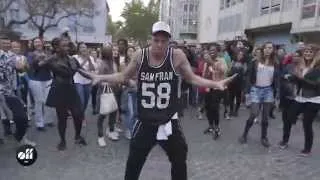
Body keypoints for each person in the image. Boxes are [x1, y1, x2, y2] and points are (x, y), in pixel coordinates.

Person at [84, 21, 236, 180]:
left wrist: (215, 83)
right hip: (145, 121)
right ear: (151, 39)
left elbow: (192, 79)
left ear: (169, 41)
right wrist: (99, 77)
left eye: (164, 41)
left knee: (179, 159)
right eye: (156, 40)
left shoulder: (176, 56)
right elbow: (123, 76)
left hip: (168, 120)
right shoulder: (140, 55)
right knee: (134, 163)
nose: (160, 44)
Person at [38, 36, 87, 151]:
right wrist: (38, 60)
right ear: (56, 47)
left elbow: (82, 71)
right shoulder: (51, 59)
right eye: (64, 46)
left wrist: (96, 77)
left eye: (67, 45)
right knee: (62, 118)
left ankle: (77, 136)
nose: (67, 48)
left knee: (78, 114)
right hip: (59, 90)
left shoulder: (72, 59)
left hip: (71, 89)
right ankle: (62, 141)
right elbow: (36, 66)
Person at [239, 42, 279, 148]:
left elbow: (277, 79)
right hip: (256, 89)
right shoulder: (255, 61)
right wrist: (247, 92)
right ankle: (244, 134)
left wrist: (277, 93)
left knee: (265, 117)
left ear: (273, 50)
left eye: (270, 48)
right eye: (266, 47)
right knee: (254, 114)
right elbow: (248, 77)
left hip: (268, 90)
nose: (268, 50)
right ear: (262, 49)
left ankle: (264, 137)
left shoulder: (275, 63)